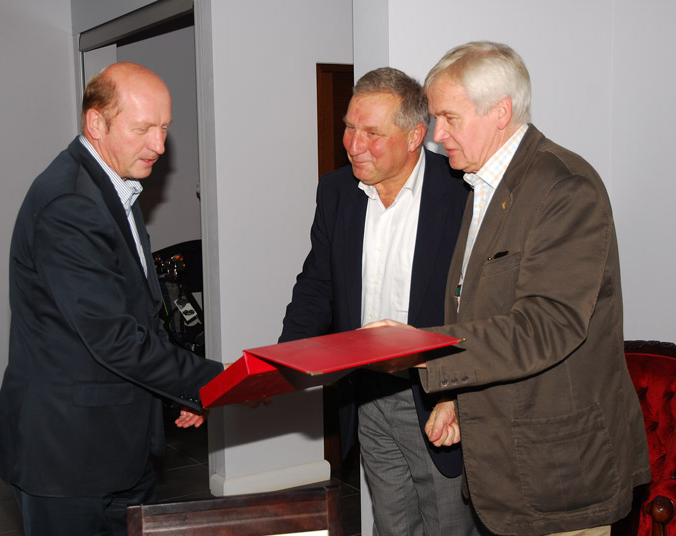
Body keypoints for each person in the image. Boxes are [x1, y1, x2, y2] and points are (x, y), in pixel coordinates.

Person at [364, 42, 651, 536]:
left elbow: (547, 326)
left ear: (500, 112)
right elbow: (479, 310)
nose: (437, 135)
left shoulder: (565, 187)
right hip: (502, 468)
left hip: (559, 472)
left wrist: (424, 349)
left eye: (449, 118)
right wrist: (457, 400)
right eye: (435, 118)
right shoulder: (481, 185)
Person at [0, 62, 224, 536]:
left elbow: (142, 315)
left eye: (164, 128)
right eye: (143, 129)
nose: (159, 145)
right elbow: (115, 339)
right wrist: (214, 381)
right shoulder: (70, 203)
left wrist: (180, 389)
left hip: (116, 448)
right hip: (67, 456)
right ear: (96, 123)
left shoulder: (110, 187)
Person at [279, 67, 478, 535]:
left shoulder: (462, 193)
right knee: (391, 526)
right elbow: (317, 285)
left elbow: (479, 305)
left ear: (415, 136)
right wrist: (284, 363)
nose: (353, 144)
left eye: (372, 133)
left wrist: (457, 394)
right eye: (349, 127)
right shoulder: (336, 191)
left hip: (435, 395)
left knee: (449, 526)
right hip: (366, 394)